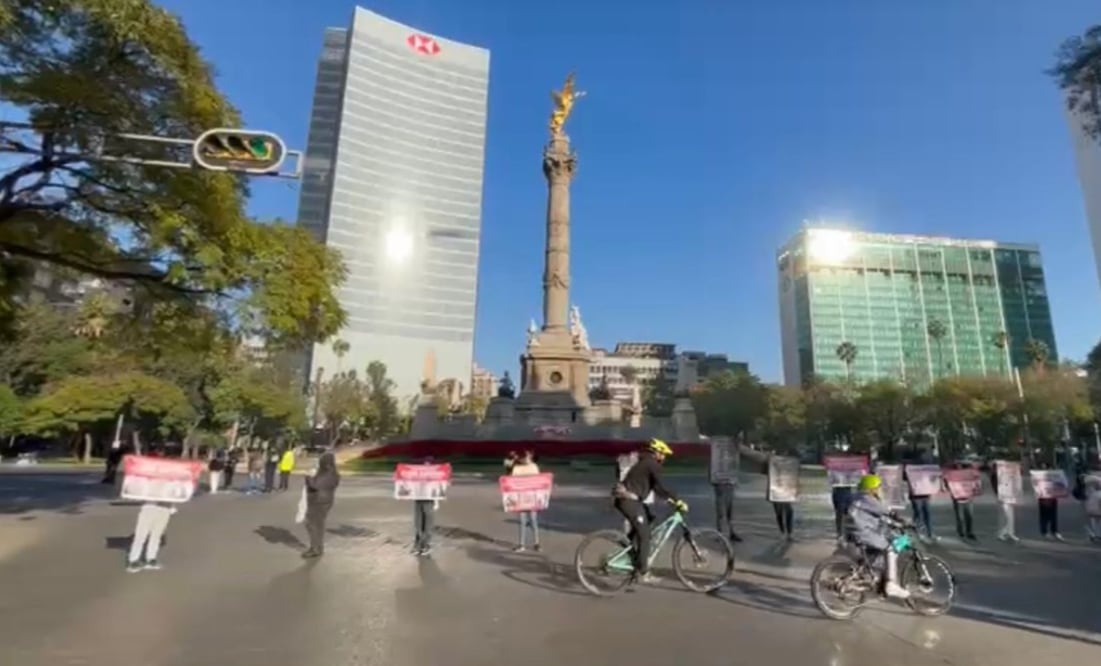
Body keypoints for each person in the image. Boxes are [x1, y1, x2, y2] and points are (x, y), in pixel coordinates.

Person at [612, 438, 686, 584]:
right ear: (657, 452)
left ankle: (629, 546)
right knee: (645, 536)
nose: (664, 458)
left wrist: (669, 499)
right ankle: (643, 572)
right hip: (628, 501)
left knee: (650, 518)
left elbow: (655, 488)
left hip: (630, 500)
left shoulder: (644, 461)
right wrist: (677, 499)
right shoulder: (652, 464)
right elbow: (661, 486)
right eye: (663, 454)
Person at [847, 474, 910, 599]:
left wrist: (893, 523)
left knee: (878, 555)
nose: (879, 490)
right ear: (871, 489)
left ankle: (878, 583)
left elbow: (880, 518)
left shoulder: (858, 498)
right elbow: (885, 512)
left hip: (856, 532)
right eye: (878, 487)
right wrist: (901, 520)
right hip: (864, 534)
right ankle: (891, 584)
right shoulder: (868, 499)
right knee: (892, 547)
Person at [302, 451, 340, 558]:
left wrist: (308, 476)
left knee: (311, 523)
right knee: (319, 524)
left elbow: (315, 485)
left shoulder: (326, 473)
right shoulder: (334, 473)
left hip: (318, 500)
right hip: (327, 500)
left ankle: (314, 548)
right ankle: (319, 546)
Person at [126, 500, 177, 572]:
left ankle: (150, 559)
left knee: (155, 536)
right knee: (142, 536)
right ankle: (134, 560)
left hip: (163, 509)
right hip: (151, 507)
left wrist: (171, 507)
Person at [710, 446, 742, 544]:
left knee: (730, 512)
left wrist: (735, 481)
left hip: (729, 486)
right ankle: (720, 533)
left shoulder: (731, 462)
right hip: (720, 486)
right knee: (721, 513)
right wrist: (714, 481)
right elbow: (712, 474)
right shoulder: (716, 462)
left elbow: (735, 470)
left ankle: (731, 532)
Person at [511, 450, 542, 552]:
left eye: (529, 456)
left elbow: (539, 482)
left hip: (532, 497)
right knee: (522, 521)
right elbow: (512, 482)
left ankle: (536, 543)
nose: (527, 458)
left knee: (533, 520)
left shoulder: (534, 467)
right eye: (525, 456)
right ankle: (521, 544)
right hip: (521, 497)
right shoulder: (517, 468)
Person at [413, 457, 440, 556]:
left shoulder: (436, 477)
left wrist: (436, 502)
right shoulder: (418, 476)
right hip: (418, 500)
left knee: (428, 526)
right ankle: (417, 546)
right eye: (424, 465)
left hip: (429, 501)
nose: (426, 467)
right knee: (418, 524)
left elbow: (438, 489)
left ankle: (426, 546)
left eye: (428, 465)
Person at [990, 464, 1019, 543]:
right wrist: (998, 494)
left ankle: (1010, 533)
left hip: (1010, 494)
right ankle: (1001, 533)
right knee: (1004, 515)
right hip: (1002, 495)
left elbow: (1014, 481)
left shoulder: (1009, 472)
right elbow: (994, 485)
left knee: (1011, 515)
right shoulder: (995, 475)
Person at [1084, 476, 1101, 543]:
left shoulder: (1092, 493)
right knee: (1098, 523)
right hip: (1098, 511)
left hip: (1092, 511)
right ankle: (1098, 535)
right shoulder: (1099, 494)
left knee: (1095, 523)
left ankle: (1096, 535)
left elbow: (1087, 502)